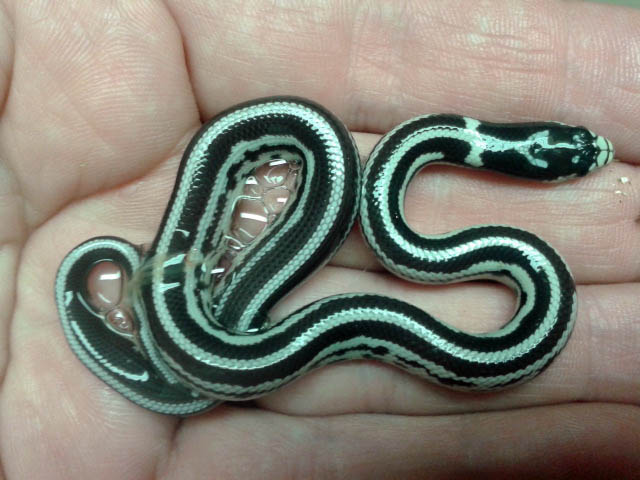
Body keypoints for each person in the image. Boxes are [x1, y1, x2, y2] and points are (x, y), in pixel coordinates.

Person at [0, 0, 638, 478]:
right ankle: (199, 351)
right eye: (574, 148)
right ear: (503, 148)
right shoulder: (341, 154)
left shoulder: (412, 163)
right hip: (217, 326)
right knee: (280, 283)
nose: (591, 152)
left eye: (573, 155)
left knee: (274, 329)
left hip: (219, 342)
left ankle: (202, 354)